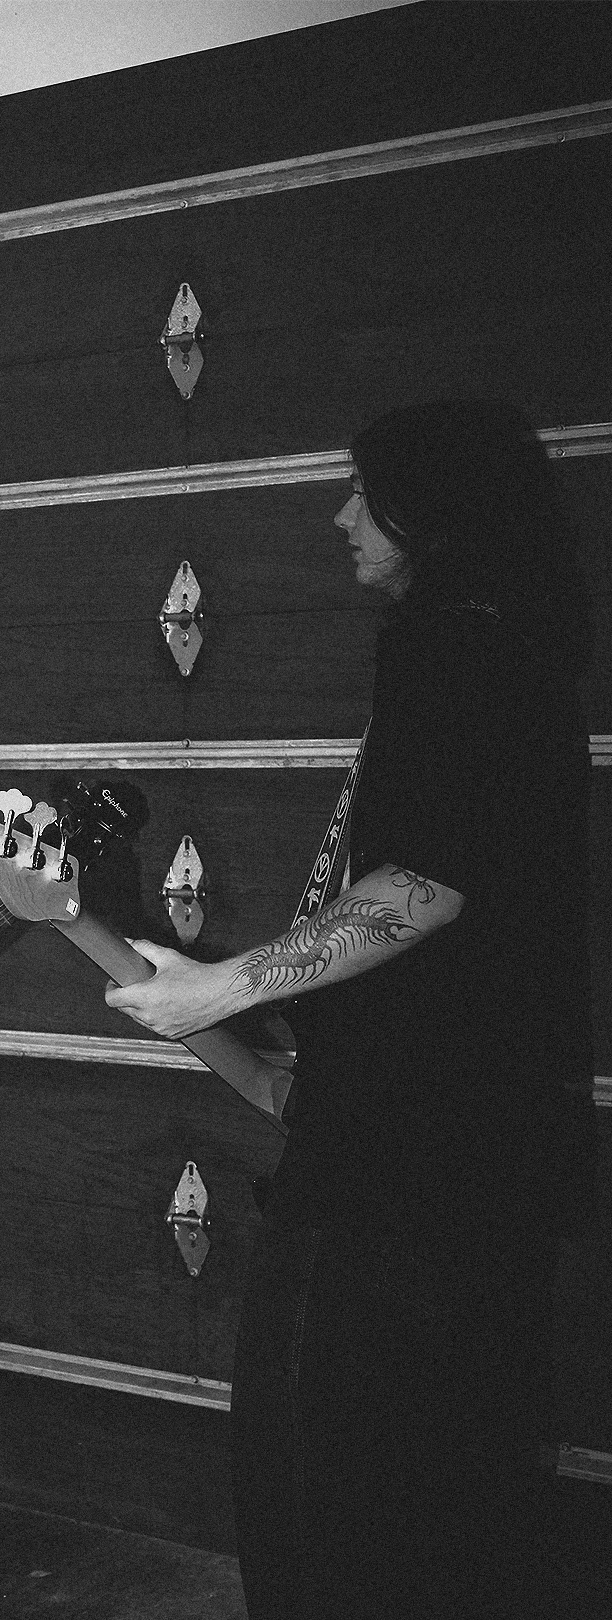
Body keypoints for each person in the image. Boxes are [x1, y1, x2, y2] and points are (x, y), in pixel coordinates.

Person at [106, 401, 594, 1619]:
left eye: (363, 495)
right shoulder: (521, 649)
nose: (339, 519)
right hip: (481, 1160)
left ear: (430, 511)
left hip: (393, 1181)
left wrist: (219, 986)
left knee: (318, 1509)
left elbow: (422, 883)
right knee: (440, 1506)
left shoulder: (452, 649)